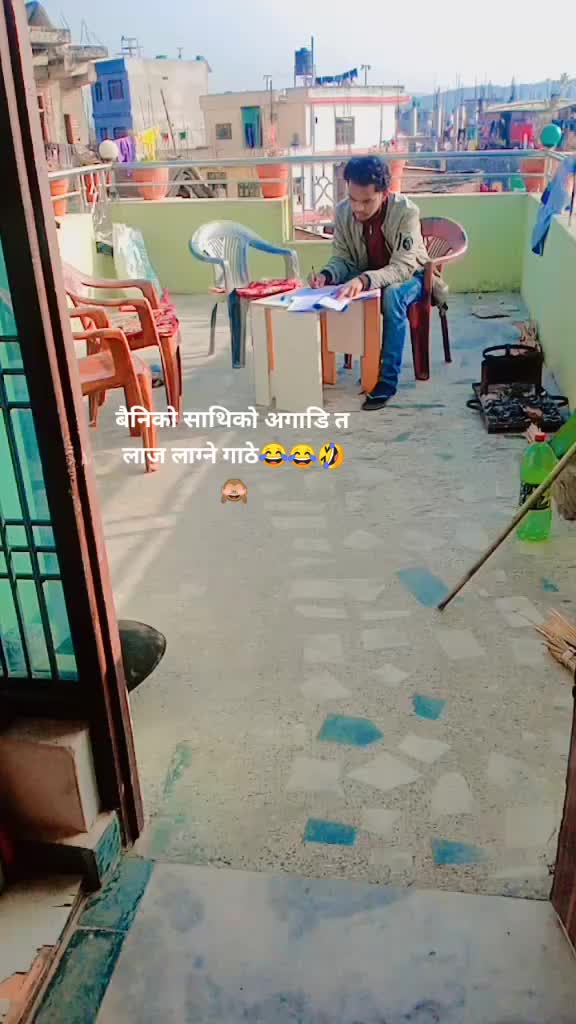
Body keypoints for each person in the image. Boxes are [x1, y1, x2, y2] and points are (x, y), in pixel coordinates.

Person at [309, 156, 431, 410]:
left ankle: (386, 381)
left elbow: (403, 267)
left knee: (393, 295)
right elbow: (342, 258)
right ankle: (325, 368)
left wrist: (365, 280)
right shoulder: (343, 212)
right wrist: (327, 275)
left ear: (384, 194)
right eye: (353, 199)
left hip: (412, 277)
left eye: (366, 201)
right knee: (332, 290)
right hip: (368, 276)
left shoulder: (406, 212)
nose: (358, 208)